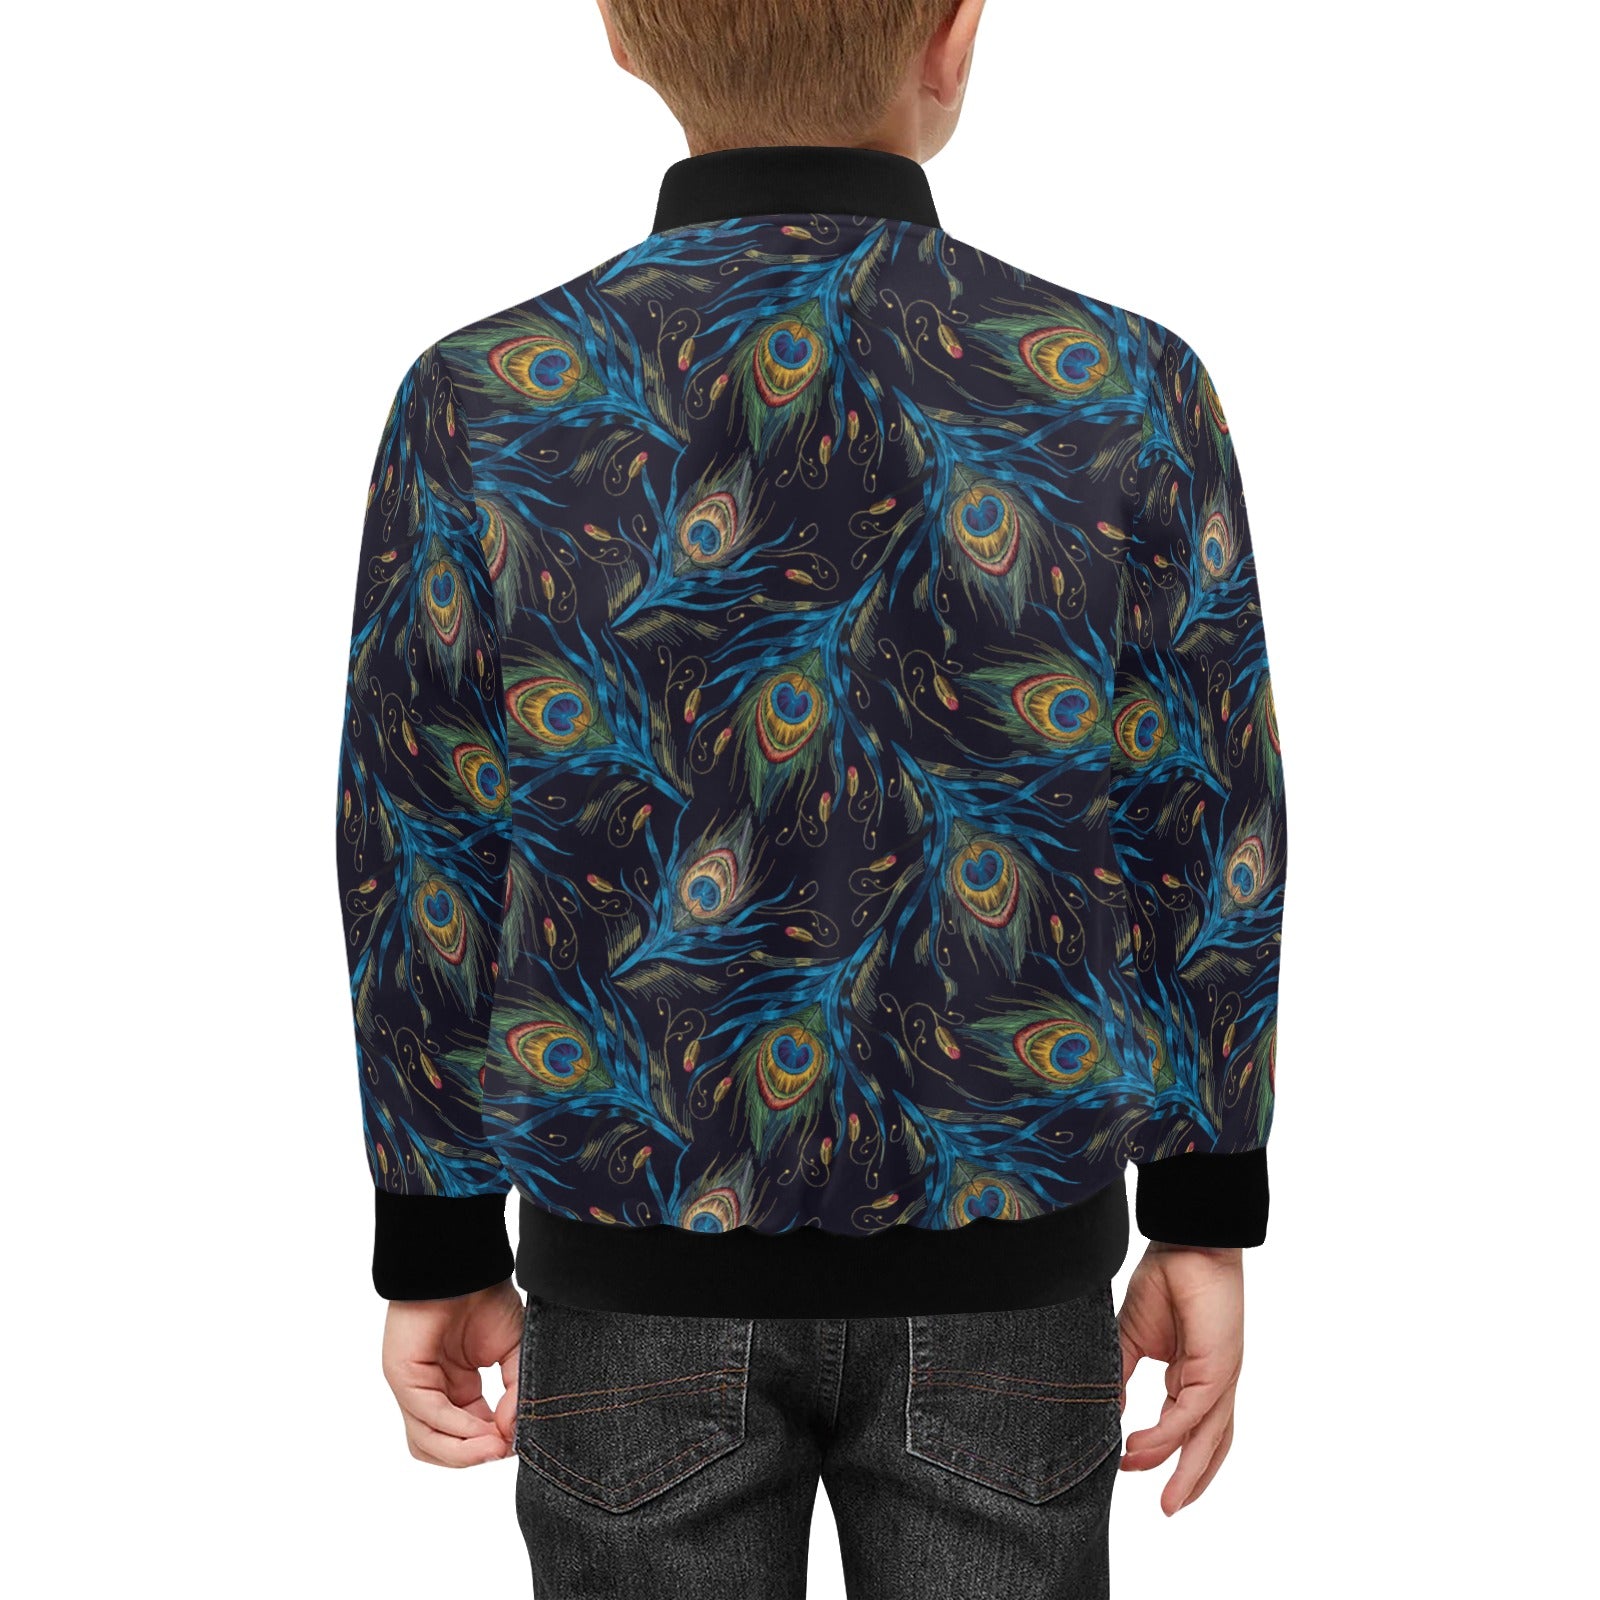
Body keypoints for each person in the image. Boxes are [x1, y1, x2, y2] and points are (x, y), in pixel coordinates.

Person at [331, 1, 1288, 1593]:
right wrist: (1200, 1204)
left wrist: (436, 1232)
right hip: (1009, 1270)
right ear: (953, 35)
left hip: (632, 1271)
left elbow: (420, 836)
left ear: (624, 32)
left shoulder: (485, 398)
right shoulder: (1124, 387)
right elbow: (1206, 816)